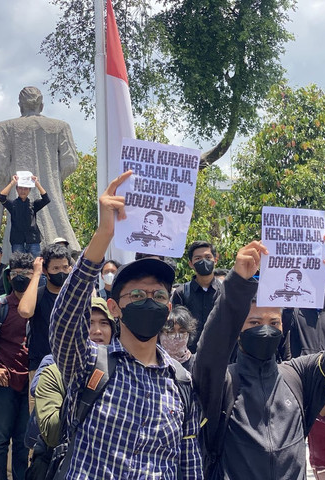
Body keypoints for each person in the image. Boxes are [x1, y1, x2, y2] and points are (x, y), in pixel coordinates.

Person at [49, 171, 203, 478]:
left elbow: (190, 465)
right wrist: (104, 234)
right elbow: (64, 320)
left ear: (169, 307)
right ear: (114, 307)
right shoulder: (90, 363)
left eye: (158, 295)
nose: (149, 300)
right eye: (136, 294)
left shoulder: (183, 383)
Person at [193, 236, 325, 480]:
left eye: (273, 322)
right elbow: (210, 353)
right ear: (238, 330)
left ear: (283, 328)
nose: (265, 329)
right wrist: (236, 284)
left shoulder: (297, 375)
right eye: (254, 322)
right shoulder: (224, 382)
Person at [0, 86, 80, 258]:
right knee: (60, 250)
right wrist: (53, 180)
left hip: (16, 198)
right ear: (42, 105)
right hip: (50, 200)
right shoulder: (60, 127)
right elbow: (71, 162)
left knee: (17, 259)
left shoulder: (5, 127)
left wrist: (4, 186)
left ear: (20, 105)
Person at [25, 297, 116, 450]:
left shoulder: (123, 369)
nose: (97, 330)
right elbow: (52, 433)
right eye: (88, 323)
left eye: (104, 323)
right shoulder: (53, 370)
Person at [0, 252, 34, 480]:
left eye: (26, 274)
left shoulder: (41, 305)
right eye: (16, 274)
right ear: (9, 276)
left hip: (31, 383)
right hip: (3, 382)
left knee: (24, 442)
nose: (21, 278)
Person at [18, 244, 72, 373]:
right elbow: (25, 311)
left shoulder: (75, 296)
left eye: (65, 267)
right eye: (55, 268)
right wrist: (36, 274)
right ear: (46, 271)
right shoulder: (38, 295)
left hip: (71, 366)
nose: (61, 272)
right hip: (42, 367)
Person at [171, 240, 221, 353]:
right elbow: (175, 326)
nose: (203, 261)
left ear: (215, 260)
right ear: (191, 263)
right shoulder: (181, 292)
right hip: (188, 355)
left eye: (208, 257)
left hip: (219, 356)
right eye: (198, 258)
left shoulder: (225, 292)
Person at [0, 174, 50, 258]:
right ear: (17, 189)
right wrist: (13, 182)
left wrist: (36, 183)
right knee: (18, 268)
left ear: (29, 190)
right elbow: (1, 197)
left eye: (25, 188)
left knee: (36, 266)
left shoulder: (33, 205)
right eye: (20, 188)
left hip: (33, 241)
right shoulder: (12, 205)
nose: (23, 191)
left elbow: (46, 199)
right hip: (17, 242)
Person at [160, 305, 197, 371]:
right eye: (171, 332)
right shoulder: (153, 365)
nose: (177, 337)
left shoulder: (196, 365)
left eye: (182, 332)